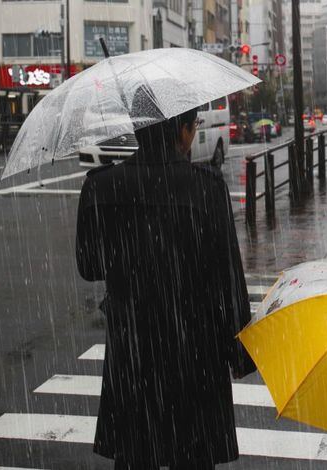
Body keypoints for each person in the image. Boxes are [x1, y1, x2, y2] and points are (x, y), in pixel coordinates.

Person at [76, 103, 256, 470]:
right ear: (184, 132)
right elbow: (228, 280)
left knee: (134, 455)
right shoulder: (206, 188)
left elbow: (89, 266)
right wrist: (239, 351)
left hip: (133, 352)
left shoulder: (102, 185)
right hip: (195, 353)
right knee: (193, 457)